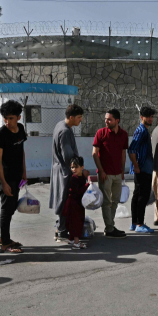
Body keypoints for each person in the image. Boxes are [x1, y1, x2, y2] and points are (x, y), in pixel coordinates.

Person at [0, 100, 26, 254]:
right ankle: (5, 242)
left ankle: (4, 238)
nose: (7, 121)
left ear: (18, 118)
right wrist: (3, 182)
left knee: (13, 206)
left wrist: (25, 172)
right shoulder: (1, 134)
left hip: (17, 176)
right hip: (6, 177)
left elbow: (22, 151)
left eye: (11, 118)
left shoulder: (21, 129)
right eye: (5, 118)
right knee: (7, 209)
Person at [50, 104, 85, 242]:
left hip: (59, 169)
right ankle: (62, 230)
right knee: (66, 201)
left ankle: (62, 228)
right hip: (65, 171)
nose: (80, 120)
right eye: (79, 117)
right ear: (71, 117)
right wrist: (80, 169)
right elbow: (68, 157)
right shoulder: (65, 131)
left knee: (63, 199)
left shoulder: (61, 125)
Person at [92, 108, 128, 239]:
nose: (106, 121)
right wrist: (101, 171)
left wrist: (122, 171)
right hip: (105, 174)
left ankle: (110, 226)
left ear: (117, 121)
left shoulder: (123, 134)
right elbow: (94, 153)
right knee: (106, 202)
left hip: (118, 174)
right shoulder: (101, 133)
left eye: (109, 119)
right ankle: (110, 228)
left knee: (115, 200)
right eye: (105, 119)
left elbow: (123, 154)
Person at [128, 106, 156, 234]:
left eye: (151, 117)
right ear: (141, 117)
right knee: (142, 197)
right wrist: (136, 165)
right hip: (142, 169)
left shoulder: (144, 130)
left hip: (144, 168)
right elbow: (132, 149)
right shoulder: (141, 131)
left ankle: (135, 223)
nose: (150, 119)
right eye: (148, 116)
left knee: (138, 195)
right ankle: (140, 223)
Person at [62, 157, 89, 249]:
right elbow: (77, 192)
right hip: (74, 204)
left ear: (82, 167)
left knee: (73, 222)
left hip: (78, 203)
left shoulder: (81, 176)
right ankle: (76, 243)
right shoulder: (74, 178)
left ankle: (71, 239)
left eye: (75, 167)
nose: (73, 169)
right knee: (76, 223)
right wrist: (87, 185)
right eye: (72, 167)